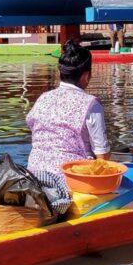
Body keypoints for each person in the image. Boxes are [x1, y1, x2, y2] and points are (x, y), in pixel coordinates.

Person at [27, 39, 111, 176]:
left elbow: (33, 127)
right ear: (85, 76)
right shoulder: (91, 104)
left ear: (61, 73)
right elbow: (103, 157)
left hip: (35, 174)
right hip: (71, 180)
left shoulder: (43, 98)